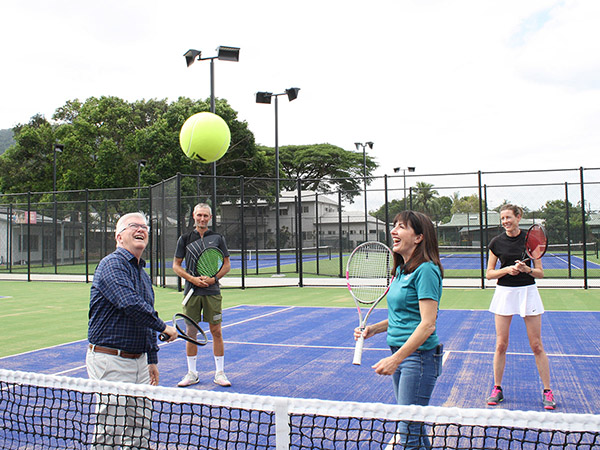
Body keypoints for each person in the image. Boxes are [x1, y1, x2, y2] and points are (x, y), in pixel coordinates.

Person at [86, 212, 178, 449]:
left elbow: (145, 314)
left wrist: (152, 359)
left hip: (140, 363)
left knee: (140, 427)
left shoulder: (142, 274)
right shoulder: (111, 265)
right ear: (119, 237)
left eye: (144, 227)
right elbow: (130, 304)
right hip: (110, 360)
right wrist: (164, 327)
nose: (141, 230)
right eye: (133, 226)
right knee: (109, 429)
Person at [354, 211, 444, 450]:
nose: (393, 231)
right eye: (394, 226)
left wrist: (396, 359)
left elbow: (427, 324)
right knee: (413, 428)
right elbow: (403, 316)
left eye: (401, 227)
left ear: (418, 238)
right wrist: (374, 328)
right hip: (403, 355)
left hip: (419, 359)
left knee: (408, 432)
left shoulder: (426, 270)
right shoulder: (402, 270)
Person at [485, 204, 556, 410]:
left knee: (536, 345)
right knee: (501, 345)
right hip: (505, 293)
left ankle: (547, 391)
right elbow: (489, 273)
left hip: (528, 292)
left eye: (508, 217)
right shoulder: (496, 242)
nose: (505, 221)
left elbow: (540, 272)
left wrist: (527, 269)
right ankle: (497, 388)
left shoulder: (532, 240)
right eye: (502, 219)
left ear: (518, 217)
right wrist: (507, 270)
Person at [173, 203, 232, 387]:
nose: (202, 219)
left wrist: (213, 279)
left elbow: (227, 265)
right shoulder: (184, 239)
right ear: (193, 216)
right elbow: (176, 265)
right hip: (192, 292)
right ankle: (192, 373)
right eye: (199, 215)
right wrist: (192, 279)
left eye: (206, 216)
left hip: (212, 292)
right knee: (191, 332)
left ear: (210, 218)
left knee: (216, 331)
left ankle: (220, 373)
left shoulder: (218, 238)